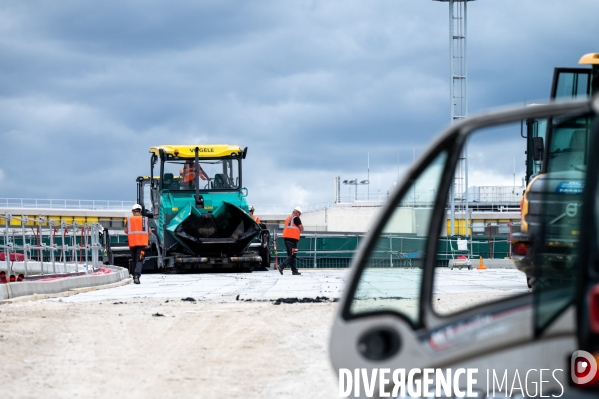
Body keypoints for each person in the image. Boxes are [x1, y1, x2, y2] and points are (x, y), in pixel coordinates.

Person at [125, 204, 149, 284]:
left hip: (132, 243)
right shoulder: (145, 219)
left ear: (133, 211)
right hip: (142, 244)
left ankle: (133, 275)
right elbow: (149, 231)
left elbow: (126, 231)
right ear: (140, 211)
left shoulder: (129, 219)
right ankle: (137, 276)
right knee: (139, 260)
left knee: (135, 260)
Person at [278, 206, 304, 276]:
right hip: (292, 239)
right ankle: (282, 266)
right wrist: (300, 229)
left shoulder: (288, 218)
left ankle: (294, 270)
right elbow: (301, 228)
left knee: (291, 255)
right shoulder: (296, 218)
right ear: (297, 213)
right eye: (300, 214)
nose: (299, 215)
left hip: (287, 238)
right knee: (293, 255)